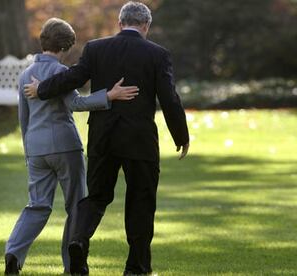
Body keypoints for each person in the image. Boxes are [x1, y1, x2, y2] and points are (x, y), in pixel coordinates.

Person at [24, 2, 190, 275]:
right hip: (140, 140)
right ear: (145, 26)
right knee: (141, 200)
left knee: (97, 196)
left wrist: (42, 89)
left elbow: (73, 77)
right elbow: (169, 98)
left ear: (120, 23)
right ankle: (136, 267)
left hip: (103, 137)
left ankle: (78, 241)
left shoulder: (96, 48)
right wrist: (181, 135)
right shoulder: (158, 54)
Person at [4, 18, 138, 275]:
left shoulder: (25, 75)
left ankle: (13, 252)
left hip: (36, 149)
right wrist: (108, 96)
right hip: (65, 146)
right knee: (77, 205)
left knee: (37, 205)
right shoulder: (61, 74)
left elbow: (24, 119)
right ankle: (72, 265)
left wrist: (28, 153)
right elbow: (76, 105)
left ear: (43, 41)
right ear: (66, 46)